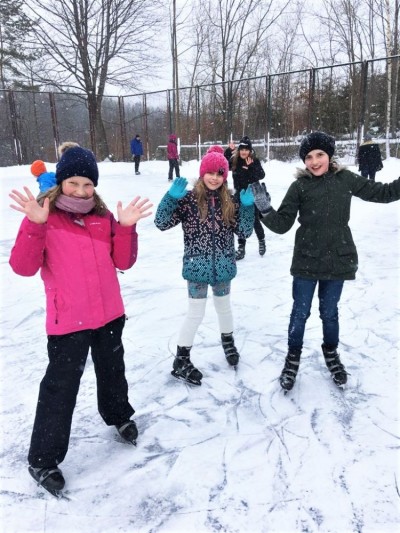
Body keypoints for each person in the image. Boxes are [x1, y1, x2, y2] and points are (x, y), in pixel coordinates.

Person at [9, 146, 153, 495]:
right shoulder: (46, 217)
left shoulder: (102, 218)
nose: (81, 191)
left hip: (108, 315)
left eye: (87, 184)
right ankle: (43, 458)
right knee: (60, 388)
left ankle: (118, 415)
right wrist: (34, 224)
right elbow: (23, 267)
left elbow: (123, 261)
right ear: (61, 183)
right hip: (68, 321)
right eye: (73, 183)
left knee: (112, 371)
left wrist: (127, 229)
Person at [251, 131, 400, 392]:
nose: (314, 161)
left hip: (337, 260)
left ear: (329, 155)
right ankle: (292, 358)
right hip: (307, 260)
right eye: (308, 157)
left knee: (329, 314)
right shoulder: (299, 186)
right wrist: (264, 209)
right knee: (300, 312)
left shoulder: (345, 179)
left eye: (319, 154)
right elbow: (283, 224)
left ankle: (331, 354)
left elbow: (383, 193)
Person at [154, 145, 255, 385]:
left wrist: (248, 208)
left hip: (223, 268)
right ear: (202, 173)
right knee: (195, 314)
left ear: (225, 176)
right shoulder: (188, 200)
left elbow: (244, 231)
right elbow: (160, 222)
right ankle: (181, 359)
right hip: (197, 269)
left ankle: (228, 342)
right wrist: (170, 199)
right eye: (210, 172)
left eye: (220, 173)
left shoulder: (229, 201)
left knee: (224, 308)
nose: (214, 177)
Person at [225, 136, 266, 260]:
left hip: (252, 194)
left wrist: (252, 167)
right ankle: (241, 248)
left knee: (254, 220)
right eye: (242, 149)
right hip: (239, 194)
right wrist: (228, 150)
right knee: (240, 220)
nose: (244, 152)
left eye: (246, 149)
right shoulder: (234, 160)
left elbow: (261, 175)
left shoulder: (253, 161)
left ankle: (261, 240)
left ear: (250, 150)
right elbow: (223, 164)